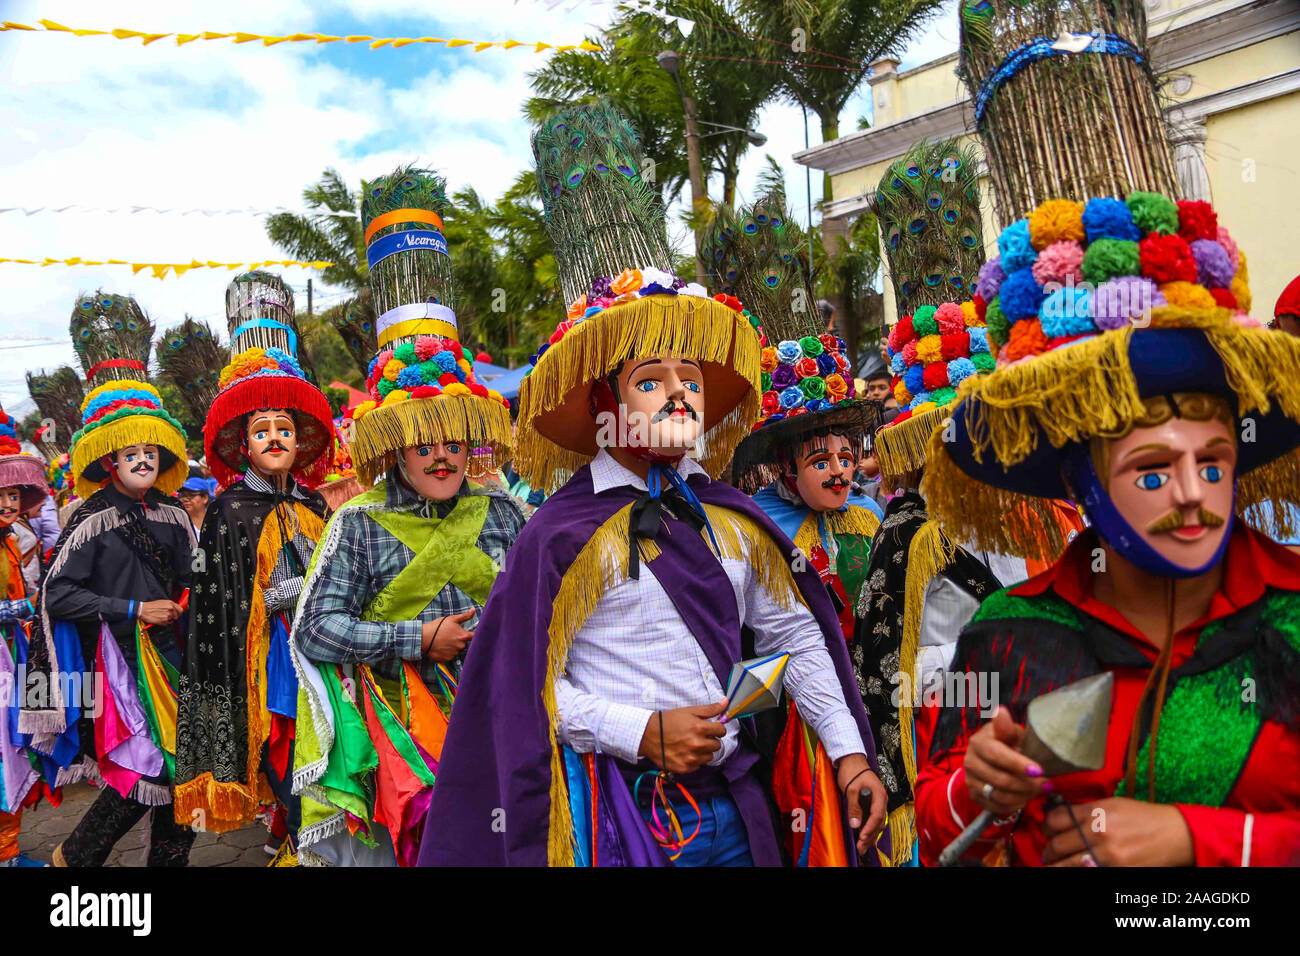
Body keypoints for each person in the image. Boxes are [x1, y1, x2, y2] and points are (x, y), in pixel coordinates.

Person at [420, 103, 885, 868]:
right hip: (625, 820)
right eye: (650, 379)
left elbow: (792, 633)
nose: (679, 395)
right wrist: (640, 730)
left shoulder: (733, 519)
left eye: (691, 377)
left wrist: (847, 753)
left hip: (742, 802)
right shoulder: (555, 536)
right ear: (605, 402)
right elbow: (522, 689)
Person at [915, 187, 1300, 866]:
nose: (1191, 496)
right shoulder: (1008, 630)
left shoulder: (1293, 614)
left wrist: (1202, 840)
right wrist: (976, 790)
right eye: (1152, 472)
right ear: (1078, 485)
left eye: (1212, 464)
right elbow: (938, 825)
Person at [290, 166, 522, 867]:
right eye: (426, 442)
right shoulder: (356, 523)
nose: (444, 456)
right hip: (404, 733)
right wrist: (417, 637)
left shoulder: (506, 512)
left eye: (455, 439)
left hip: (506, 714)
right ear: (394, 445)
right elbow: (316, 629)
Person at [702, 191, 886, 865]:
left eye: (846, 456)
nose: (840, 471)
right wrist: (767, 705)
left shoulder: (872, 519)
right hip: (793, 727)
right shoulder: (755, 532)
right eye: (820, 460)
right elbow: (755, 647)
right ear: (784, 467)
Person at [21, 291, 196, 868]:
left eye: (152, 449)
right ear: (107, 461)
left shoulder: (175, 516)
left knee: (187, 779)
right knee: (146, 770)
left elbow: (199, 579)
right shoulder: (89, 521)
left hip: (181, 660)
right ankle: (75, 856)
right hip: (122, 666)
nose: (143, 459)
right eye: (131, 451)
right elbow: (57, 596)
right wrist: (131, 609)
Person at [172, 272, 336, 860]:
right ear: (244, 445)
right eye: (261, 430)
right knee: (290, 765)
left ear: (300, 441)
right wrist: (273, 599)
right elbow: (220, 607)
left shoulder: (314, 503)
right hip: (268, 666)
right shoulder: (227, 510)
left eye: (284, 430)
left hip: (327, 653)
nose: (273, 438)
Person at [0, 412, 50, 867]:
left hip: (14, 653)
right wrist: (21, 609)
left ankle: (9, 849)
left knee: (17, 747)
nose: (8, 503)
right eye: (1, 495)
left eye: (14, 494)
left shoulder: (13, 541)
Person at [175, 470, 210, 540]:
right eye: (182, 496)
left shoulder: (215, 521)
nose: (185, 499)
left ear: (205, 498)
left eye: (191, 495)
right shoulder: (177, 523)